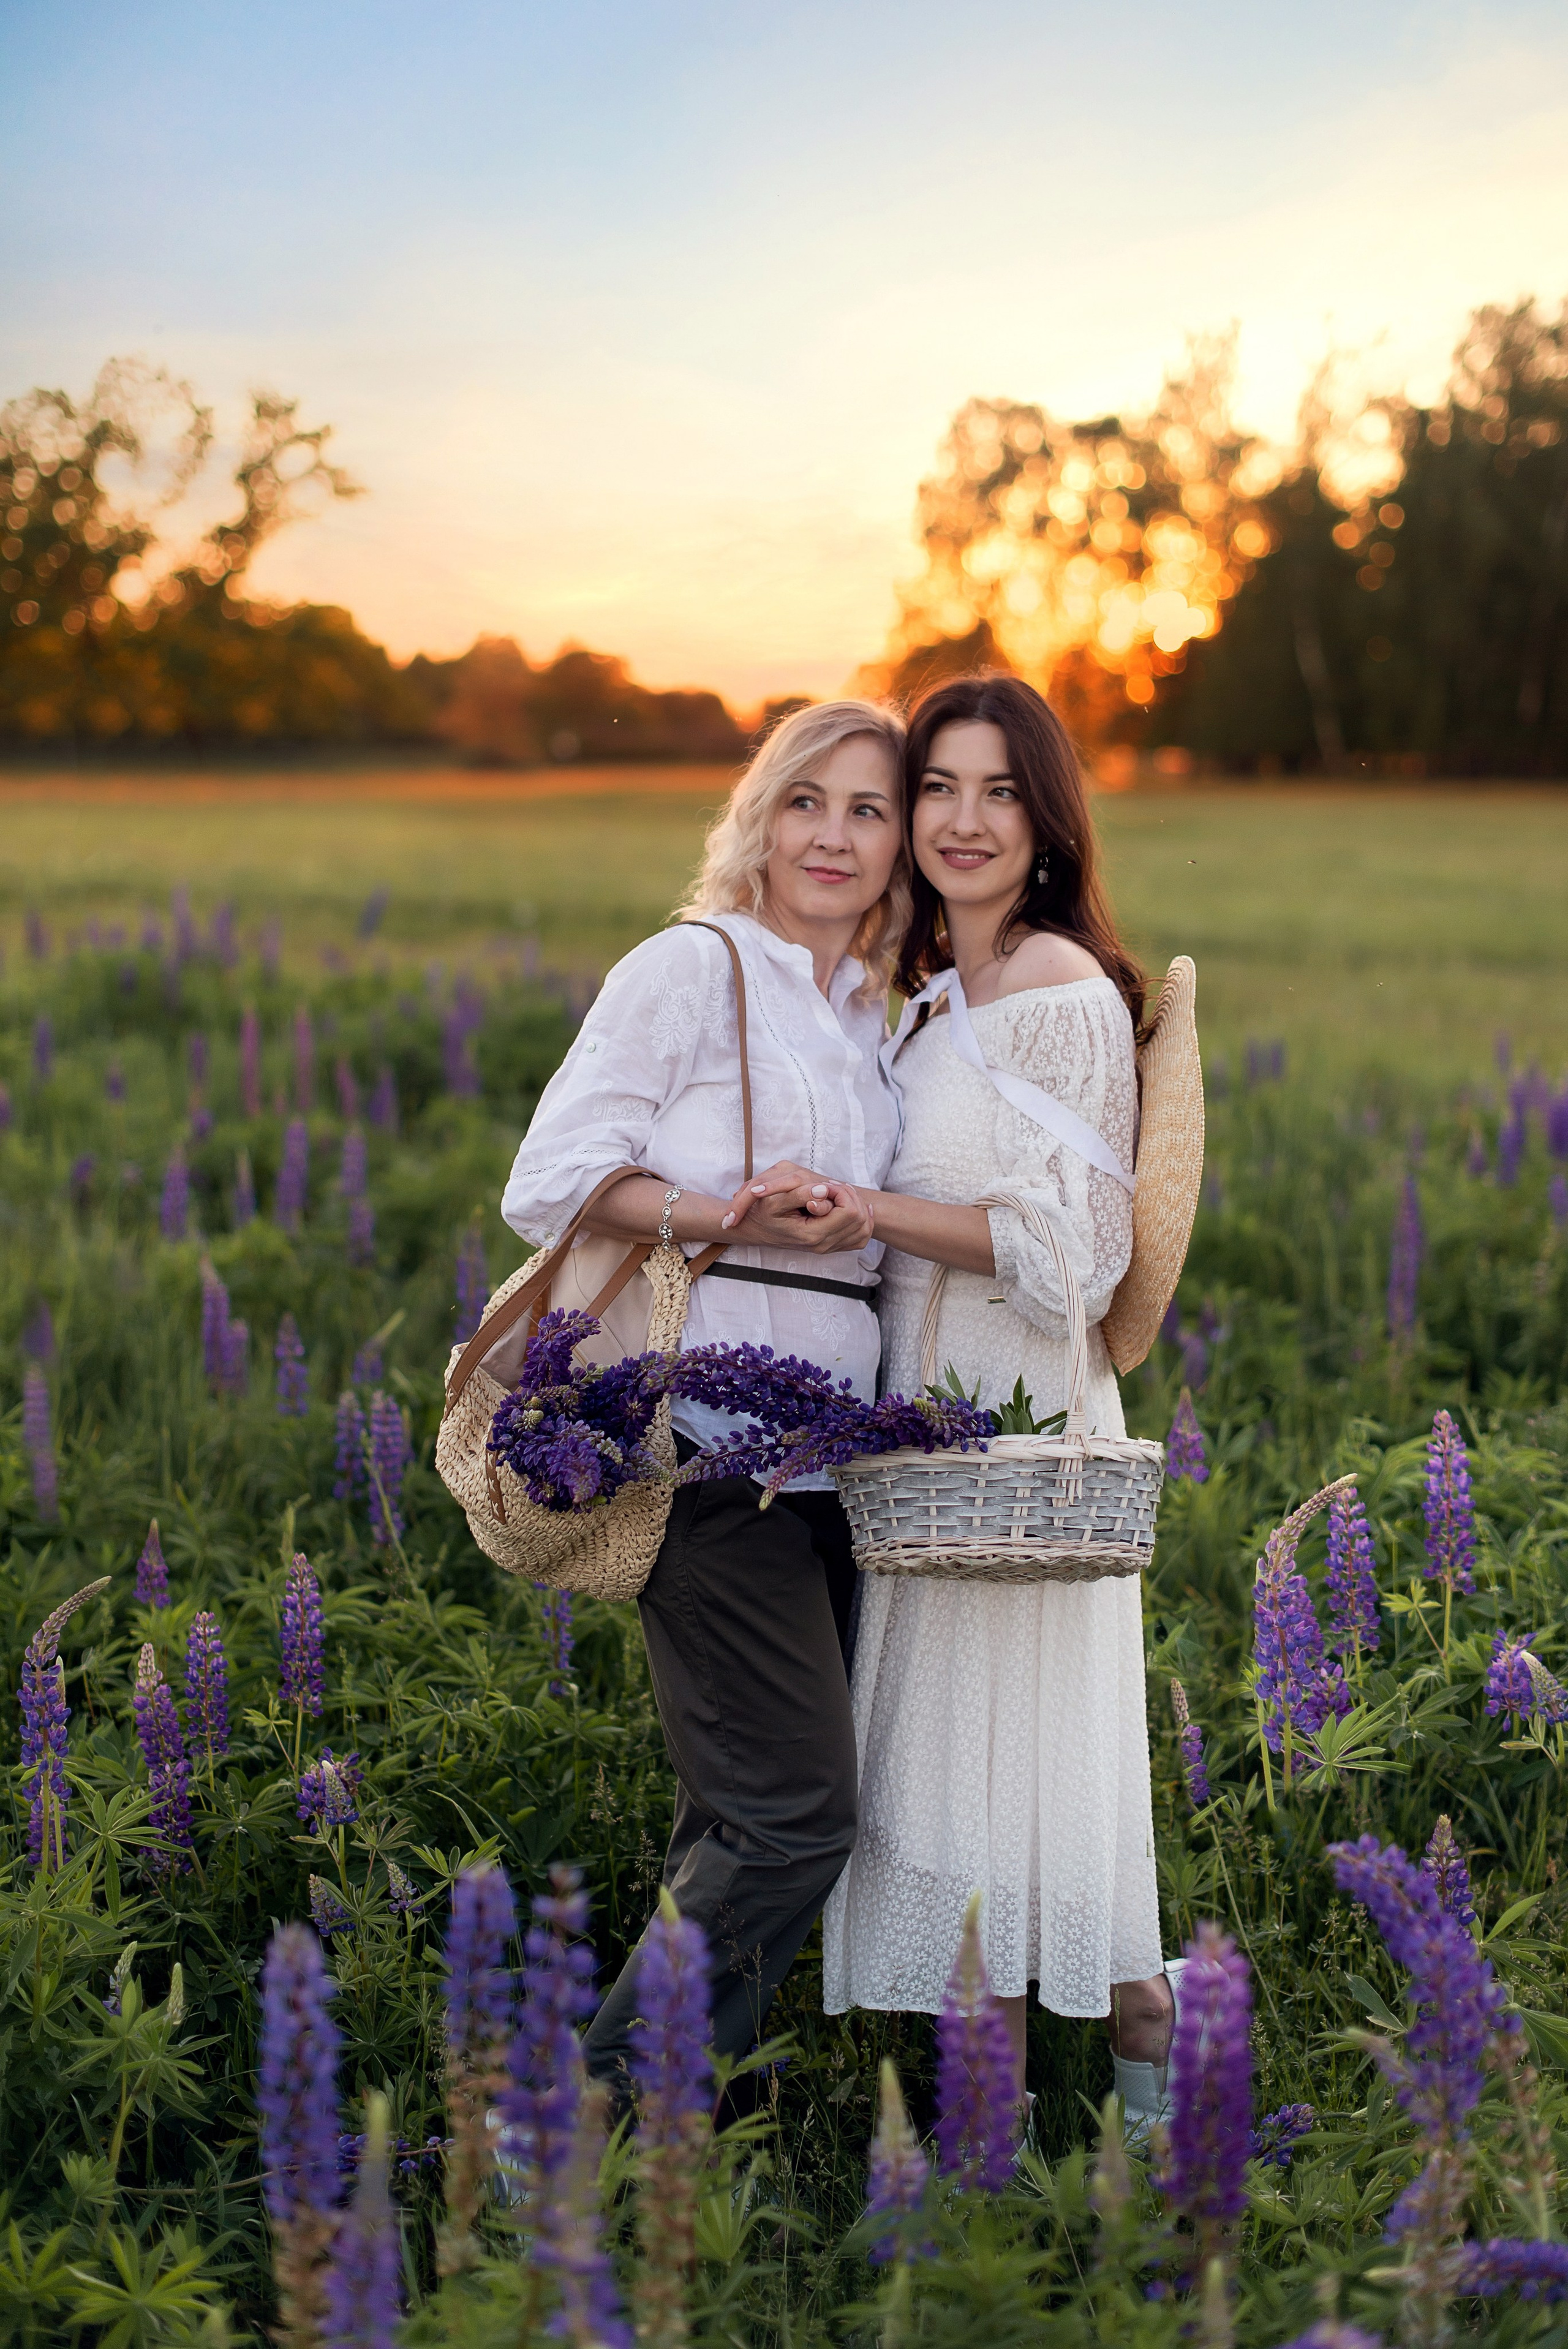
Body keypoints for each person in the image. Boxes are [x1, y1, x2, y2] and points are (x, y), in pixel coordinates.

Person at [499, 698, 907, 2108]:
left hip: (834, 1467)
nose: (833, 835)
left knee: (735, 1812)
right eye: (807, 801)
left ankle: (677, 2137)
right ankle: (578, 2123)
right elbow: (549, 1178)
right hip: (701, 1447)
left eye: (867, 808)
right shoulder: (692, 968)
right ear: (757, 815)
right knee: (796, 1819)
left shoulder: (872, 1010)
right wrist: (712, 1213)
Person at [813, 673, 1178, 2130]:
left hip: (1018, 1424)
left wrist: (877, 1211)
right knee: (959, 1793)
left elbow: (1081, 1254)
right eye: (938, 789)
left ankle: (1146, 2136)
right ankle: (1014, 2150)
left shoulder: (1059, 994)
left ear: (1045, 823)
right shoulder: (930, 999)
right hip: (926, 1425)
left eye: (998, 792)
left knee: (1027, 1788)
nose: (962, 821)